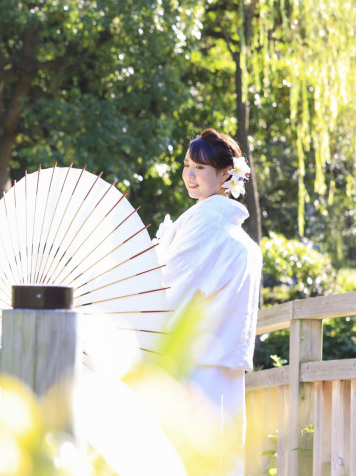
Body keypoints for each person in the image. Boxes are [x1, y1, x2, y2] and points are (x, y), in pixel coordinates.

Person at [154, 128, 263, 473]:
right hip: (225, 368)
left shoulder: (204, 222)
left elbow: (166, 286)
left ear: (226, 174)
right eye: (187, 165)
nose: (189, 175)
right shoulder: (240, 238)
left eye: (200, 168)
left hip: (193, 365)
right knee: (220, 457)